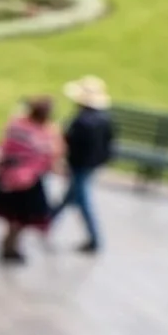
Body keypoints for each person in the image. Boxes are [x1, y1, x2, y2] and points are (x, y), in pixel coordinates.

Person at [0, 96, 61, 265]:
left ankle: (10, 243)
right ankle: (10, 244)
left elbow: (5, 149)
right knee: (21, 216)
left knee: (16, 216)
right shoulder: (40, 133)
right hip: (25, 181)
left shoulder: (19, 126)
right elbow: (49, 156)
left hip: (15, 178)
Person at [49, 76, 115, 252]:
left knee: (82, 200)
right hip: (91, 164)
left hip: (80, 165)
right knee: (70, 197)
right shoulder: (103, 119)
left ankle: (94, 239)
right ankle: (45, 222)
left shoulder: (82, 121)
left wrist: (63, 161)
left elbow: (69, 142)